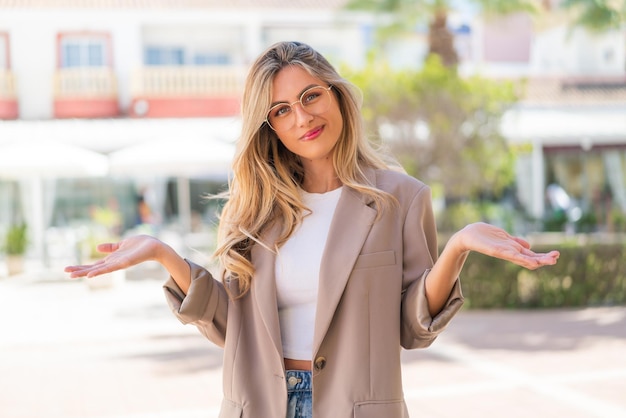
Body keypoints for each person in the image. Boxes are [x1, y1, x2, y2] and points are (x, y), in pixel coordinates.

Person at [65, 41, 560, 418]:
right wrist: (163, 255)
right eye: (282, 110)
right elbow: (232, 329)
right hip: (261, 405)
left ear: (337, 95)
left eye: (311, 96)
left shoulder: (402, 199)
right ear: (270, 127)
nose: (302, 117)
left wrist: (456, 250)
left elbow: (410, 327)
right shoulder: (254, 208)